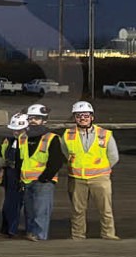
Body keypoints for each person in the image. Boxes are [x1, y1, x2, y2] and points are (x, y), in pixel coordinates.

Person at [62, 100, 120, 240]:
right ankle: (78, 235)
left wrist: (100, 170)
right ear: (75, 118)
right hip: (76, 179)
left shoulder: (105, 134)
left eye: (86, 115)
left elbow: (114, 157)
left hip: (100, 179)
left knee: (105, 209)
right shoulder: (67, 135)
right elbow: (64, 154)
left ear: (92, 117)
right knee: (78, 210)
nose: (83, 118)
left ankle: (108, 234)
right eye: (79, 116)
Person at [21, 105, 65, 241]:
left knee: (41, 212)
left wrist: (44, 178)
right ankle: (30, 234)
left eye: (37, 118)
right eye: (31, 118)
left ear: (44, 120)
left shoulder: (52, 138)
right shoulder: (22, 137)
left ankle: (40, 237)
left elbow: (57, 161)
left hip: (44, 182)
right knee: (29, 212)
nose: (33, 121)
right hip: (25, 181)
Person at [0, 113, 26, 238]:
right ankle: (6, 228)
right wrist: (0, 160)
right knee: (8, 204)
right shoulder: (8, 140)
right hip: (9, 175)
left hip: (21, 175)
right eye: (14, 129)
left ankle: (13, 229)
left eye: (19, 129)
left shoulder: (28, 141)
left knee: (17, 204)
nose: (16, 132)